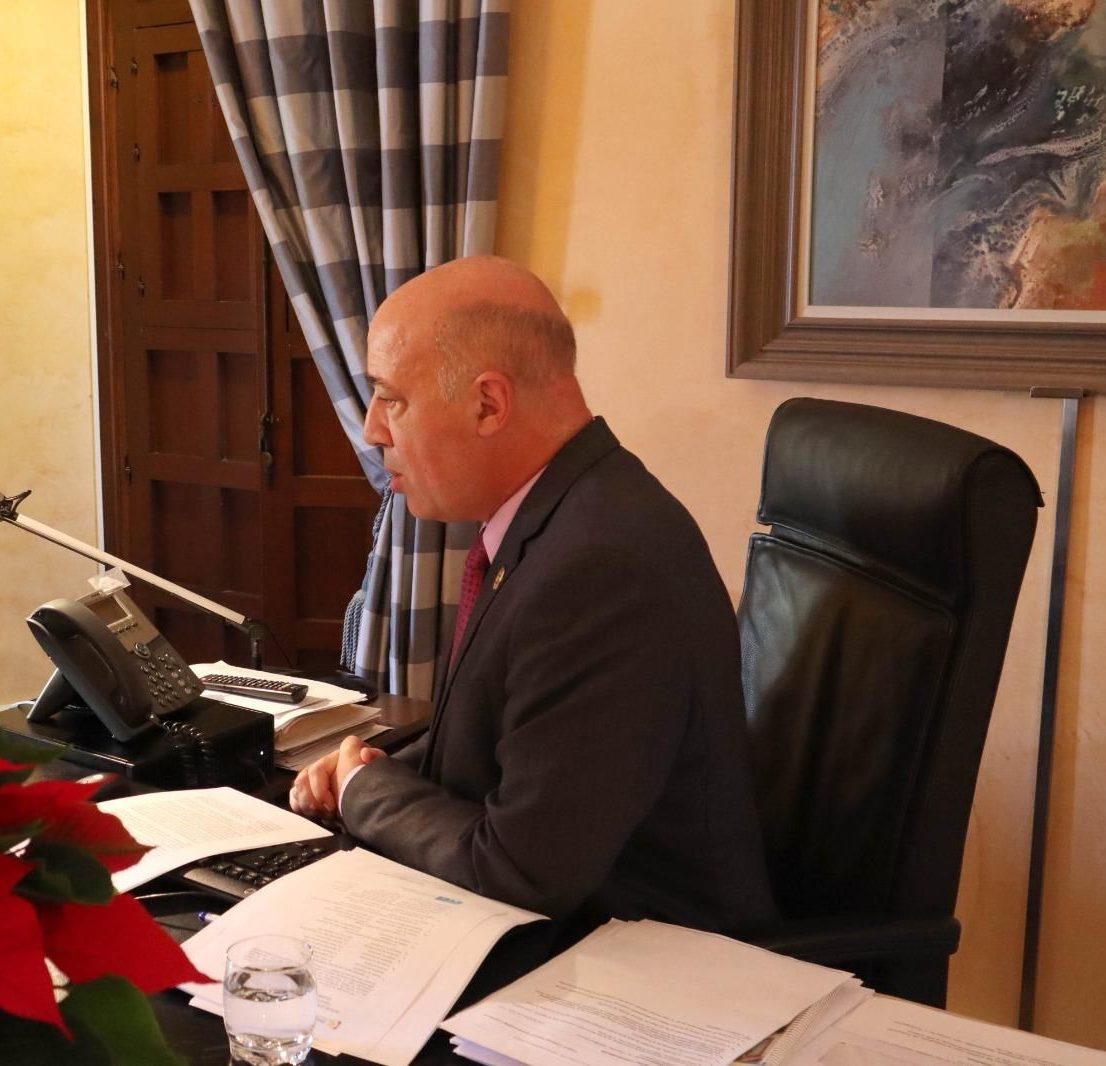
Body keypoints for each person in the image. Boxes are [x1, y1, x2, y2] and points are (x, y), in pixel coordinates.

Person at [289, 256, 774, 934]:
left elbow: (518, 872)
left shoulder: (601, 567)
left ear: (489, 403)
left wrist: (363, 790)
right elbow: (501, 740)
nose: (372, 429)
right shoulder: (560, 513)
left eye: (392, 398)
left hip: (635, 962)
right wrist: (366, 769)